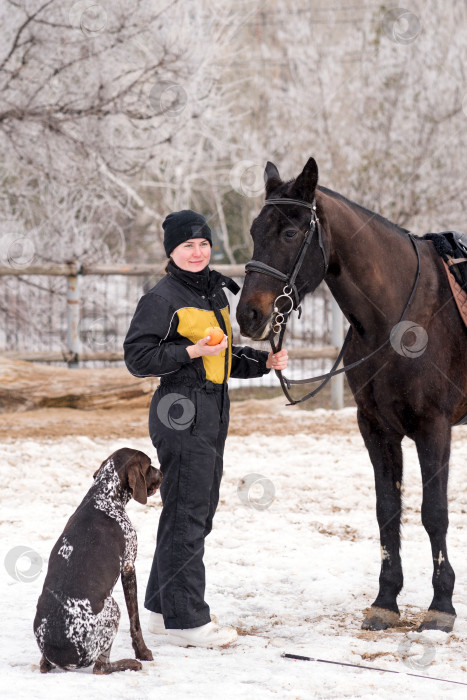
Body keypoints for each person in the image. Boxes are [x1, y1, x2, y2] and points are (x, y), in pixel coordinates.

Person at [123, 210, 288, 649]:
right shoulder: (163, 298)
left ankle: (161, 609)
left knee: (194, 509)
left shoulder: (214, 294)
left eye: (203, 245)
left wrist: (263, 363)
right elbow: (138, 357)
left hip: (213, 408)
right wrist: (190, 350)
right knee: (189, 511)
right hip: (180, 408)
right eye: (186, 246)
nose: (196, 253)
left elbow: (224, 359)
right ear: (172, 252)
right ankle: (188, 621)